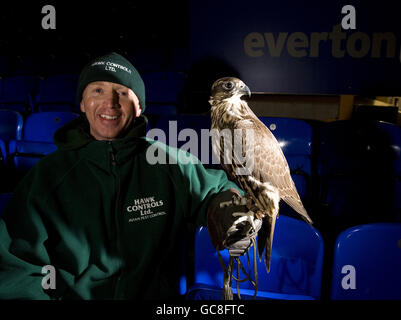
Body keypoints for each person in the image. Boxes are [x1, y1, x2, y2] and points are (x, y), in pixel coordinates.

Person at [0, 52, 259, 300]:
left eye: (122, 93)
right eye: (97, 90)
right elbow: (17, 266)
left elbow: (215, 191)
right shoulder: (47, 175)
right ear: (82, 102)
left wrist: (230, 208)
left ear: (139, 107)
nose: (110, 102)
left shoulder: (170, 163)